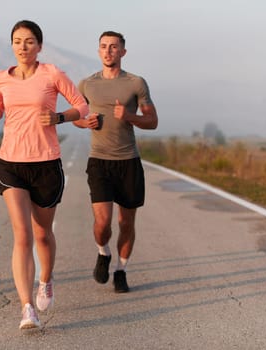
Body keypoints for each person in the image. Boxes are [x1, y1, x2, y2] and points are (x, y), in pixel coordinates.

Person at [0, 20, 88, 329]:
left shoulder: (52, 74)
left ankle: (46, 280)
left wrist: (58, 117)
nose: (23, 46)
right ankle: (27, 307)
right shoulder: (1, 77)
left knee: (42, 233)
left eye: (29, 41)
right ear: (12, 45)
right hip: (11, 162)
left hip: (45, 163)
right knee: (22, 235)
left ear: (39, 46)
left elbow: (82, 107)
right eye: (17, 41)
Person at [73, 31, 158, 293]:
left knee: (126, 223)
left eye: (114, 47)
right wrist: (84, 121)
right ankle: (103, 252)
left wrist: (129, 116)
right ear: (98, 51)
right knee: (102, 223)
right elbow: (77, 116)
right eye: (103, 47)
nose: (108, 51)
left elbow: (153, 121)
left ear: (123, 52)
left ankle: (121, 270)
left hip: (128, 162)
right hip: (99, 161)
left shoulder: (136, 83)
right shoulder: (87, 84)